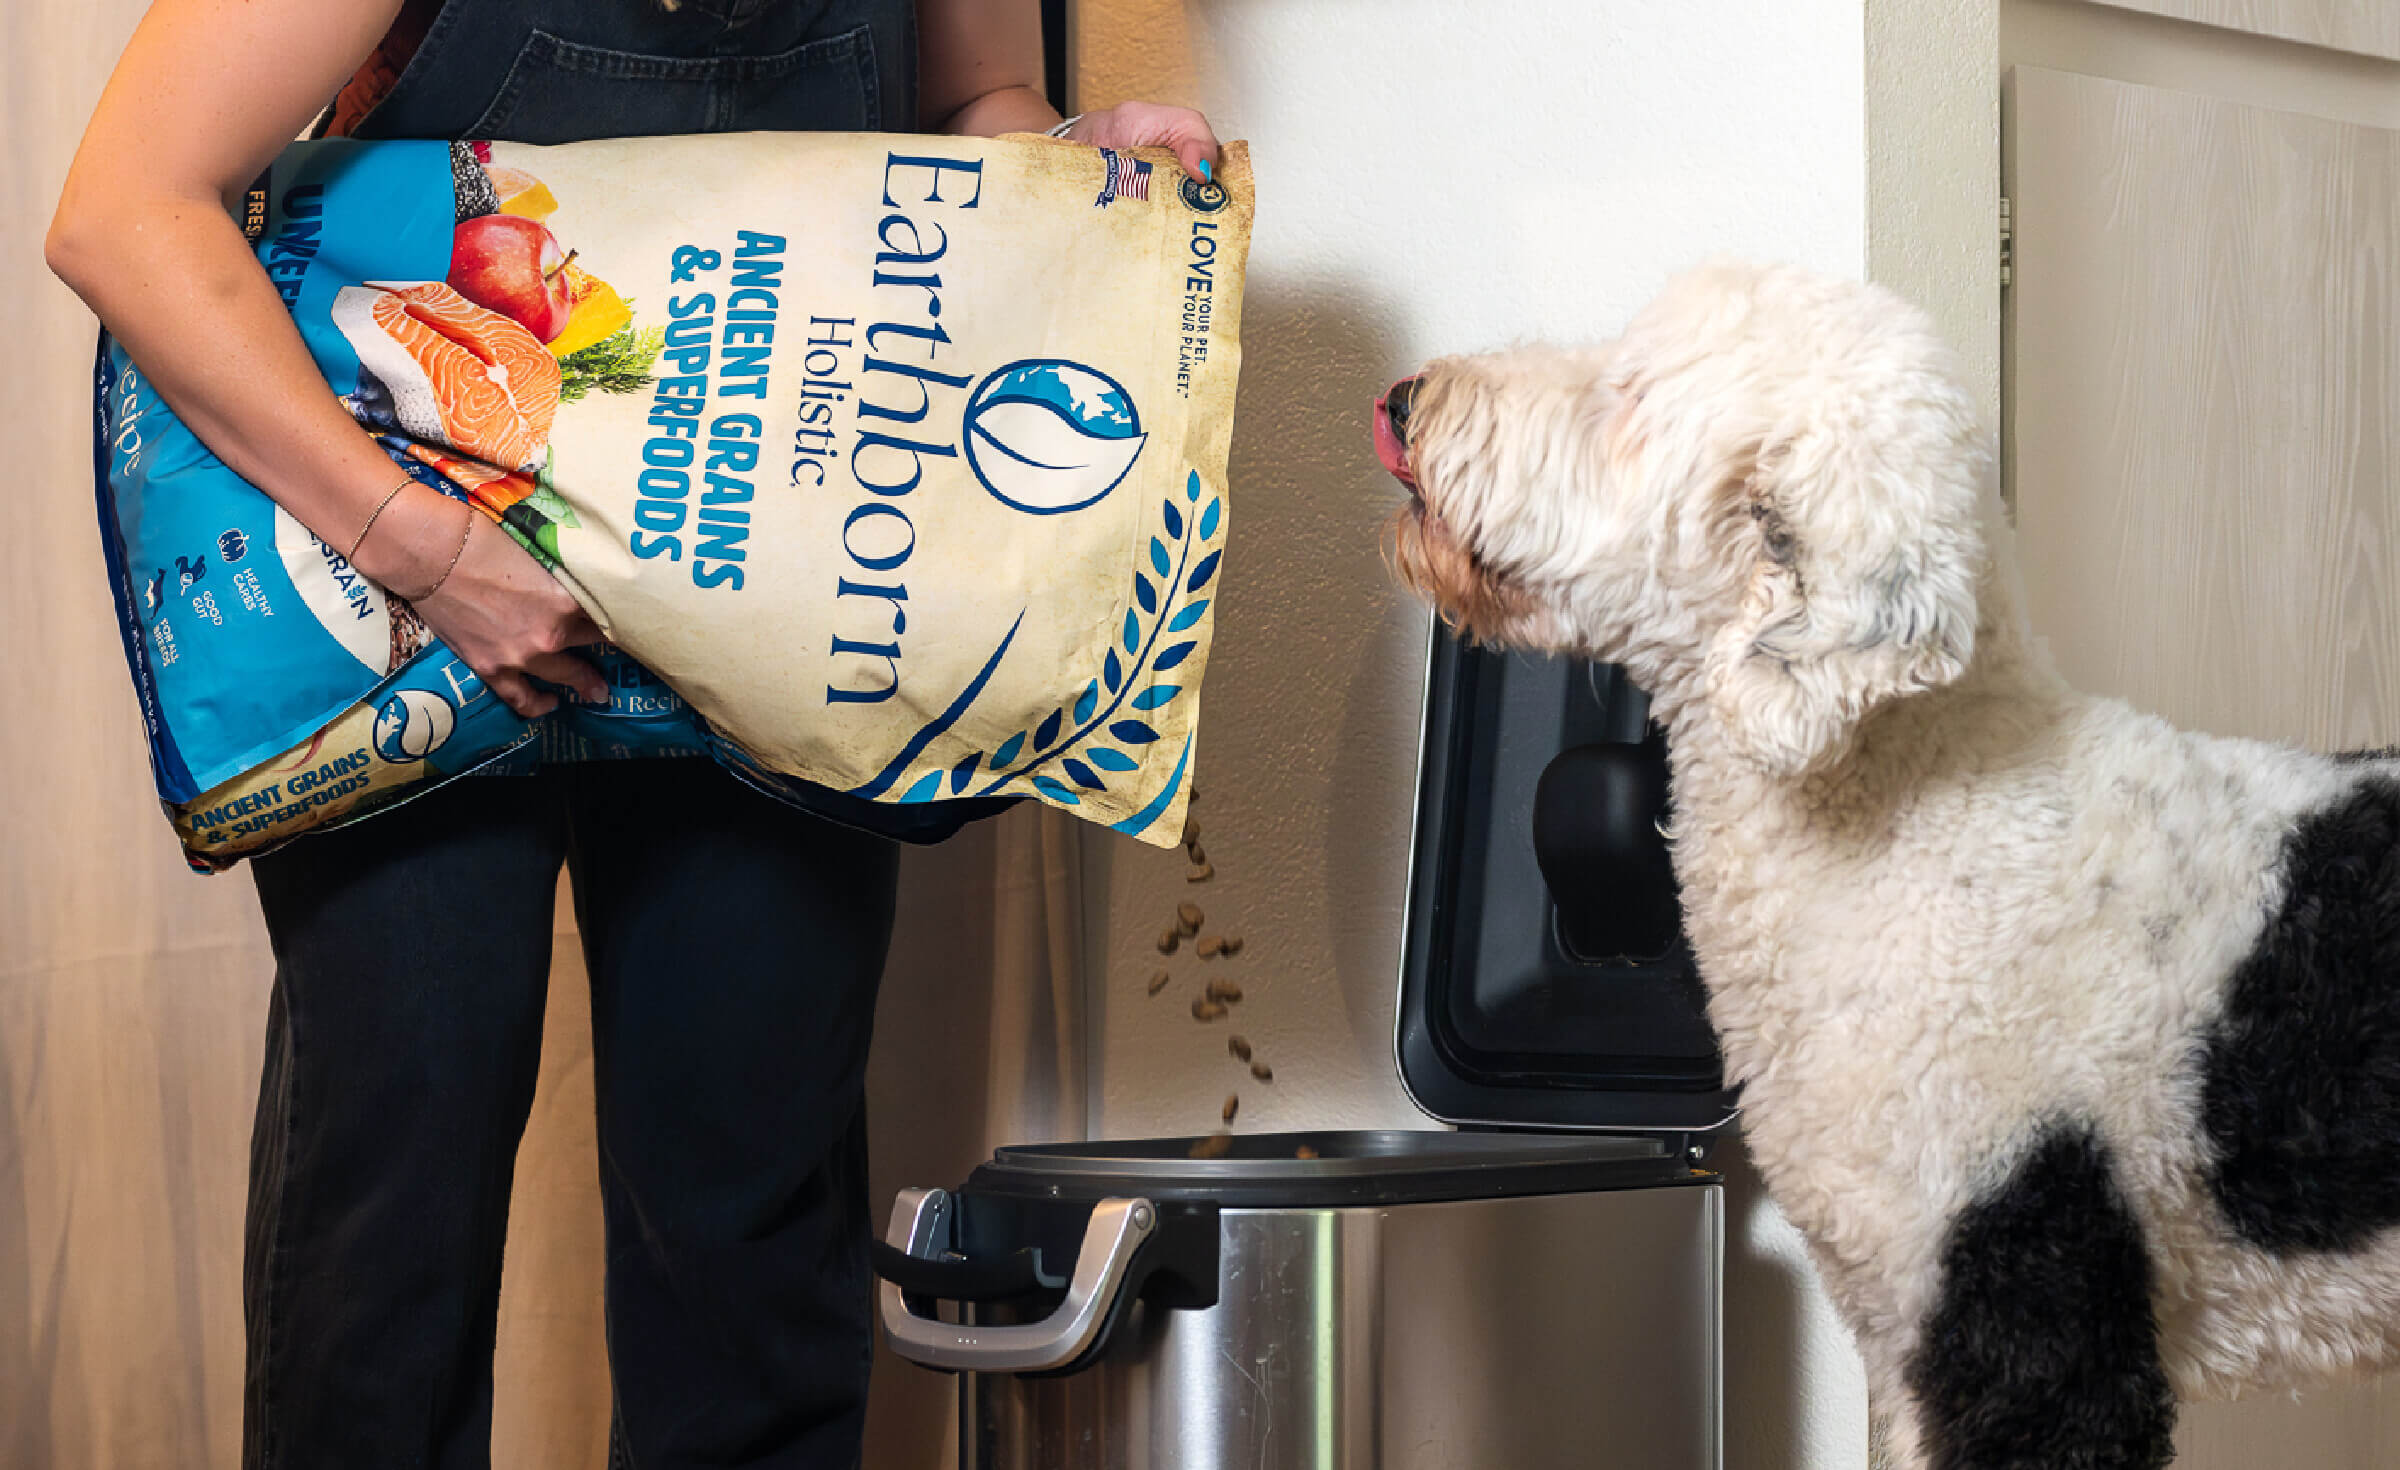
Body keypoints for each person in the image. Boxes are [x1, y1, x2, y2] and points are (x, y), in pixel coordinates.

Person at [46, 3, 1220, 1466]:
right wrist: (420, 545)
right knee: (394, 1226)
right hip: (416, 595)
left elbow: (973, 91)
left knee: (748, 1241)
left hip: (771, 596)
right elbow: (122, 209)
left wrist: (1068, 165)